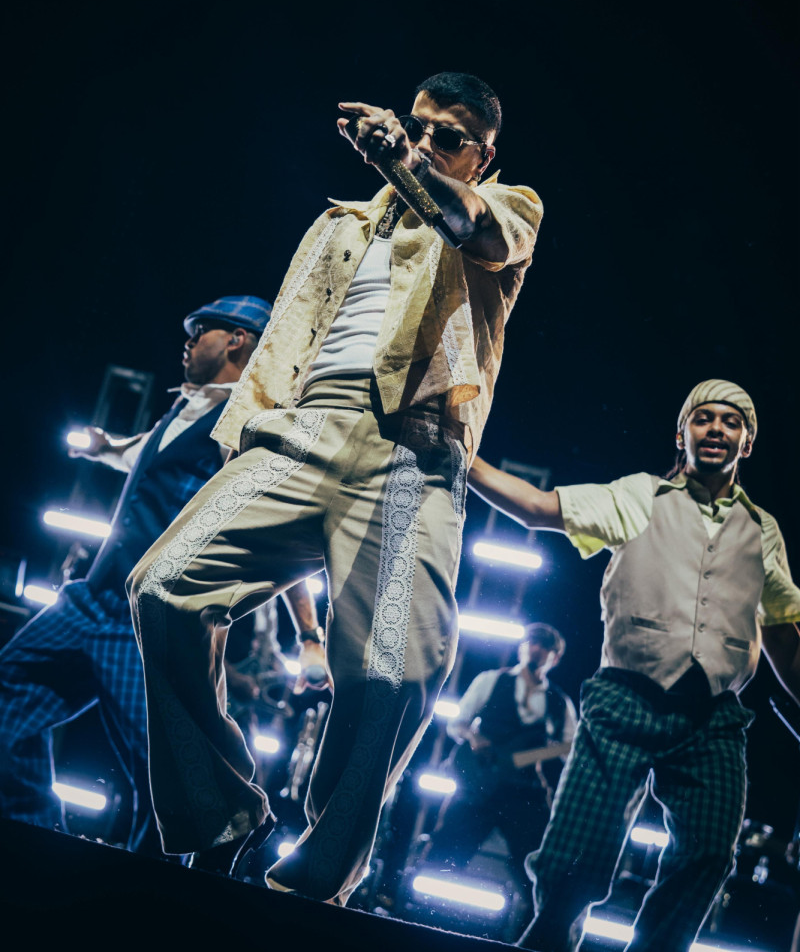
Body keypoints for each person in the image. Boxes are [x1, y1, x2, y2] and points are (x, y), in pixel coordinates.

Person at [127, 71, 543, 904]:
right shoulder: (339, 222)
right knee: (163, 587)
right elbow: (291, 330)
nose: (426, 143)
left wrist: (402, 162)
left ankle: (316, 881)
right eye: (417, 128)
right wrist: (248, 430)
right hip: (302, 429)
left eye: (448, 137)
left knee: (395, 673)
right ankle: (221, 812)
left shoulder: (507, 209)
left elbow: (468, 222)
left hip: (410, 452)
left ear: (485, 154)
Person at [467, 379, 800, 952]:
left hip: (714, 719)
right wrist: (462, 456)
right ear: (681, 434)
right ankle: (551, 933)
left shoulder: (762, 530)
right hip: (626, 697)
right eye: (703, 418)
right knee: (579, 848)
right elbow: (537, 508)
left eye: (731, 421)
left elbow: (783, 638)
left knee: (709, 852)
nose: (716, 428)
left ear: (747, 442)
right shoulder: (641, 495)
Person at [0, 295, 325, 851]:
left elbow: (278, 530)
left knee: (169, 781)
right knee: (7, 703)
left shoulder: (243, 423)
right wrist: (105, 448)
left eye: (201, 331)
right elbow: (143, 456)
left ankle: (191, 860)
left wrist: (310, 635)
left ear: (237, 340)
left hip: (142, 624)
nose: (188, 340)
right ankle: (32, 841)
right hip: (89, 603)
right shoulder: (182, 410)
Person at [424, 623, 576, 893]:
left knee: (535, 862)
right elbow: (458, 723)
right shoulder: (491, 679)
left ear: (556, 657)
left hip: (523, 790)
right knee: (447, 852)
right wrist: (474, 737)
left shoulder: (559, 702)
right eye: (532, 642)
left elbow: (570, 748)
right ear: (522, 648)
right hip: (479, 783)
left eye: (544, 645)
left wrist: (555, 752)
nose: (536, 649)